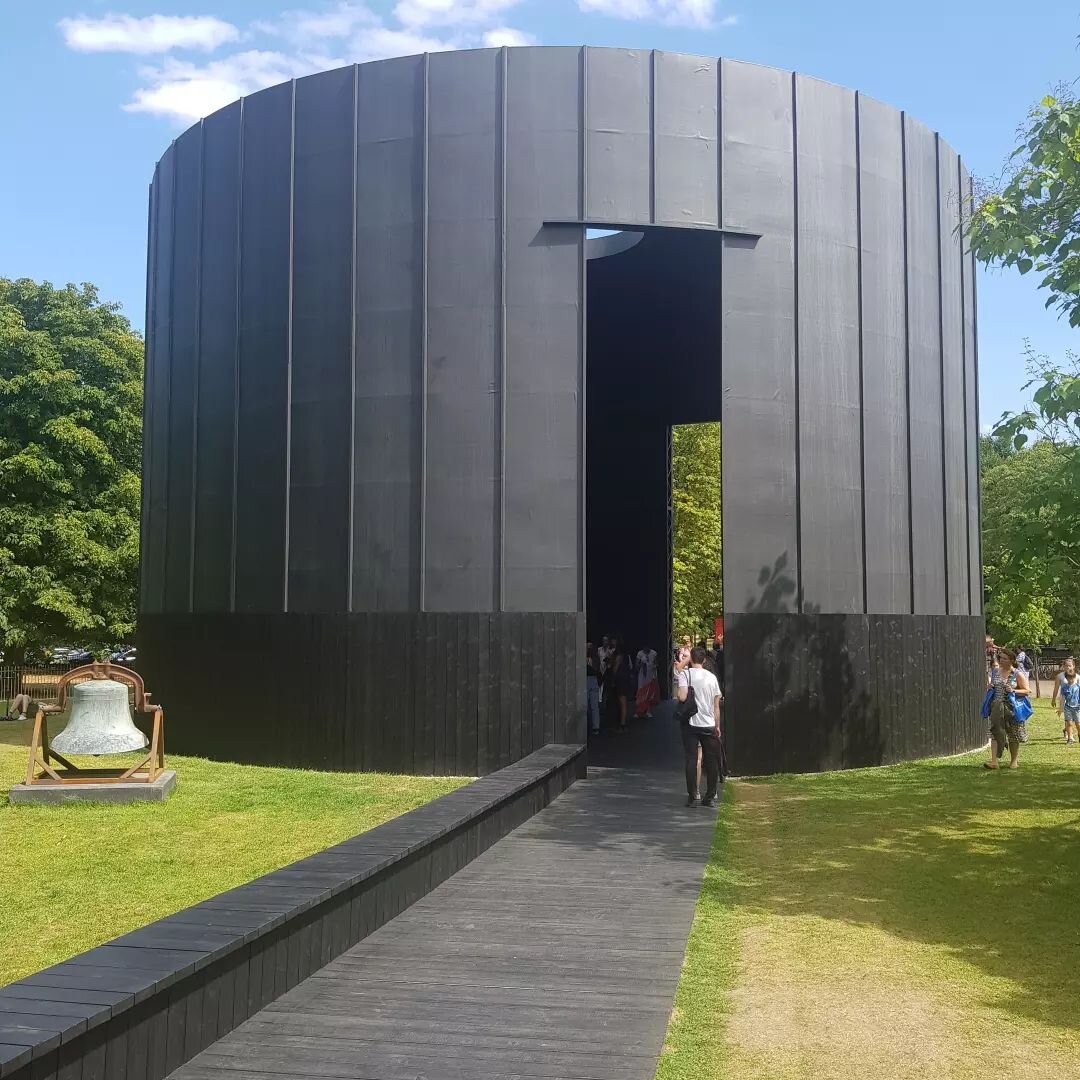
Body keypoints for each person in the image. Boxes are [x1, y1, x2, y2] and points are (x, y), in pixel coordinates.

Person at [675, 646, 723, 806]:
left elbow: (682, 697)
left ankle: (692, 795)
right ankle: (709, 796)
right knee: (711, 760)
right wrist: (717, 725)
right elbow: (716, 706)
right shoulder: (711, 678)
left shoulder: (685, 675)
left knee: (691, 758)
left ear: (691, 659)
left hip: (690, 723)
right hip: (708, 723)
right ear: (704, 660)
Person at [986, 648, 1030, 770]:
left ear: (1011, 660)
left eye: (1004, 659)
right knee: (995, 732)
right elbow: (992, 687)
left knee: (1013, 734)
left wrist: (1014, 690)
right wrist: (990, 687)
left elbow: (1027, 691)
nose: (1001, 661)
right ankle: (994, 762)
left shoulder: (1017, 674)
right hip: (996, 707)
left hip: (1012, 708)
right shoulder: (995, 672)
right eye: (1000, 658)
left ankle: (1014, 761)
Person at [1053, 656, 1080, 745]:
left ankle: (1067, 730)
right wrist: (1054, 700)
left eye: (1070, 666)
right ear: (1063, 666)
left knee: (1075, 721)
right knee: (1068, 720)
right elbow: (1056, 688)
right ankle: (1070, 737)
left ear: (1073, 666)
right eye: (1066, 666)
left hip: (1076, 702)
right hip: (1065, 700)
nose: (1068, 667)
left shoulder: (1078, 677)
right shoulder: (1060, 676)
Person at [634, 645, 659, 718]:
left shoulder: (654, 653)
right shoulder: (640, 653)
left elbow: (657, 663)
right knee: (640, 693)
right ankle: (638, 711)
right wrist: (641, 664)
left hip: (650, 675)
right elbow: (636, 666)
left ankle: (648, 711)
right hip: (642, 676)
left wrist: (653, 666)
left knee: (649, 693)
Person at [585, 641, 601, 736]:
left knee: (592, 705)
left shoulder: (594, 658)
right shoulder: (595, 657)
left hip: (589, 679)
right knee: (592, 706)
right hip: (592, 680)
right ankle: (594, 727)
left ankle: (595, 726)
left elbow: (596, 669)